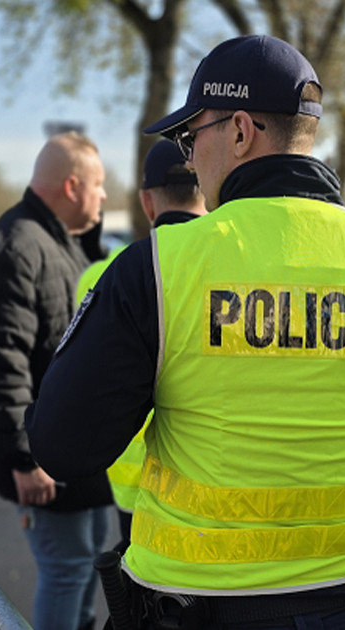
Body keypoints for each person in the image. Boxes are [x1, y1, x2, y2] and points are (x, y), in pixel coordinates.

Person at [26, 35, 345, 630]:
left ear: (240, 131)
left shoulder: (158, 267)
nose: (190, 160)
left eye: (190, 137)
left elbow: (62, 447)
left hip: (197, 609)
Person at [0, 132, 112, 630]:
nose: (105, 195)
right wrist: (24, 457)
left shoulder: (61, 242)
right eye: (99, 185)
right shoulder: (15, 247)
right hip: (43, 456)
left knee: (85, 561)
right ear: (72, 186)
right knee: (67, 569)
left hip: (70, 453)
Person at [73, 139, 206, 548]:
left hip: (131, 487)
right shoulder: (229, 271)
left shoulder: (102, 275)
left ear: (147, 202)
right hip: (212, 486)